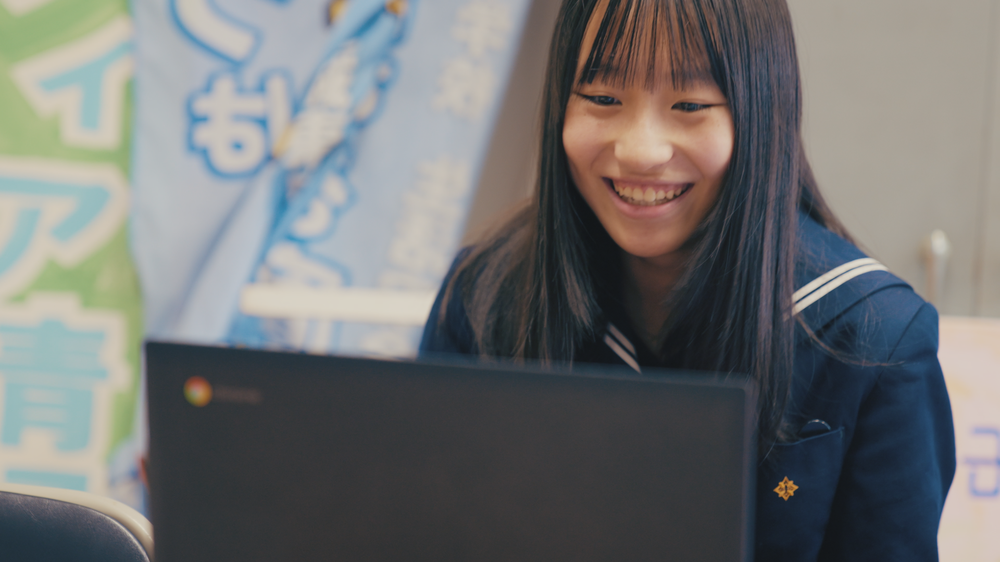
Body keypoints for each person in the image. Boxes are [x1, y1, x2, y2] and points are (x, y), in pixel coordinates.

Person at [419, 0, 956, 559]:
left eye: (690, 104)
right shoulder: (486, 291)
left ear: (760, 111)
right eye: (603, 99)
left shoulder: (872, 340)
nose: (640, 151)